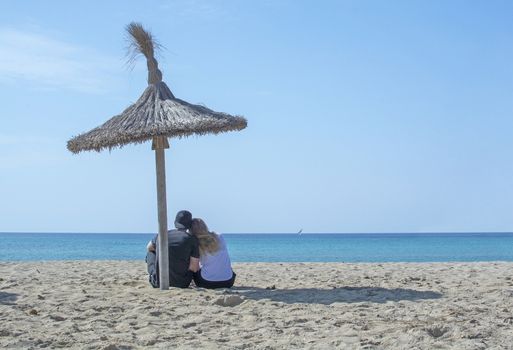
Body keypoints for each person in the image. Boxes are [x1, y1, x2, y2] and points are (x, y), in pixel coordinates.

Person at [146, 210, 200, 288]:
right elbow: (194, 268)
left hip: (158, 282)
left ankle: (152, 274)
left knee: (150, 253)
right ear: (189, 224)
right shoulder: (191, 239)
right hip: (182, 283)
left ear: (175, 222)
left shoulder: (162, 234)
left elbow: (149, 247)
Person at [190, 218, 236, 289]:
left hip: (207, 282)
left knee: (193, 268)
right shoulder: (219, 236)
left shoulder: (195, 242)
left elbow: (195, 268)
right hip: (229, 281)